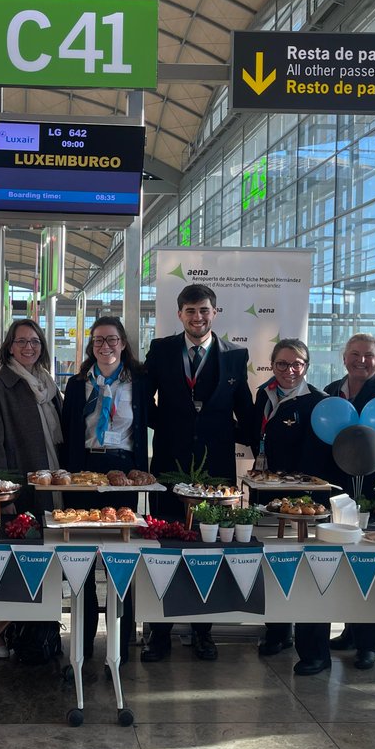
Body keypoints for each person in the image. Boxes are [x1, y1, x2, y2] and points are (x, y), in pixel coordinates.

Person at [143, 284, 253, 662]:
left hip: (217, 470)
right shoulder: (161, 351)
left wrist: (260, 449)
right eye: (190, 310)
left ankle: (202, 633)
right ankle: (157, 634)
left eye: (204, 310)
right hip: (170, 466)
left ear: (215, 313)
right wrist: (173, 425)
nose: (198, 317)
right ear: (180, 315)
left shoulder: (237, 356)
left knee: (210, 550)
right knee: (165, 549)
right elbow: (144, 401)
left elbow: (246, 411)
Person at [303, 334, 375, 670]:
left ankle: (368, 644)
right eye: (354, 354)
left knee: (371, 568)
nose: (361, 360)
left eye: (369, 355)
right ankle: (349, 632)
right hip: (335, 493)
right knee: (338, 567)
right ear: (344, 357)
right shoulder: (331, 391)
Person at [60, 316, 149, 660]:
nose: (105, 346)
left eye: (112, 340)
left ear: (123, 343)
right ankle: (81, 642)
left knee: (118, 562)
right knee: (82, 562)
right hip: (85, 472)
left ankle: (121, 644)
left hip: (123, 473)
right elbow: (69, 432)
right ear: (91, 346)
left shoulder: (139, 381)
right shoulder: (78, 382)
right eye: (98, 340)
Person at [0, 318, 63, 659]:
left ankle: (39, 633)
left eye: (35, 341)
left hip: (53, 481)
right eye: (22, 341)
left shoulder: (48, 384)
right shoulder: (0, 388)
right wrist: (6, 498)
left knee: (46, 560)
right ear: (10, 347)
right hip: (21, 489)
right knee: (18, 561)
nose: (29, 347)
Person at [251, 339, 332, 674]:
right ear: (272, 365)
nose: (289, 370)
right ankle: (278, 632)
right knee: (271, 564)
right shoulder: (263, 395)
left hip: (304, 500)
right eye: (282, 364)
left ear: (306, 367)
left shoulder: (320, 403)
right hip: (264, 491)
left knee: (310, 571)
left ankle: (315, 650)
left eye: (297, 364)